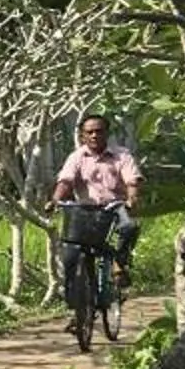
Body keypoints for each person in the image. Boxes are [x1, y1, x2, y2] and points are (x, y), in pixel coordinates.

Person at [52, 113, 142, 305]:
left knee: (130, 227)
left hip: (115, 206)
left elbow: (132, 180)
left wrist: (132, 198)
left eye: (98, 131)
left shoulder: (122, 155)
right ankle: (74, 306)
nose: (94, 136)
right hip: (84, 210)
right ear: (82, 136)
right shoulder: (76, 157)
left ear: (107, 133)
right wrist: (55, 200)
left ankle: (119, 262)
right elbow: (66, 180)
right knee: (70, 255)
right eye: (89, 132)